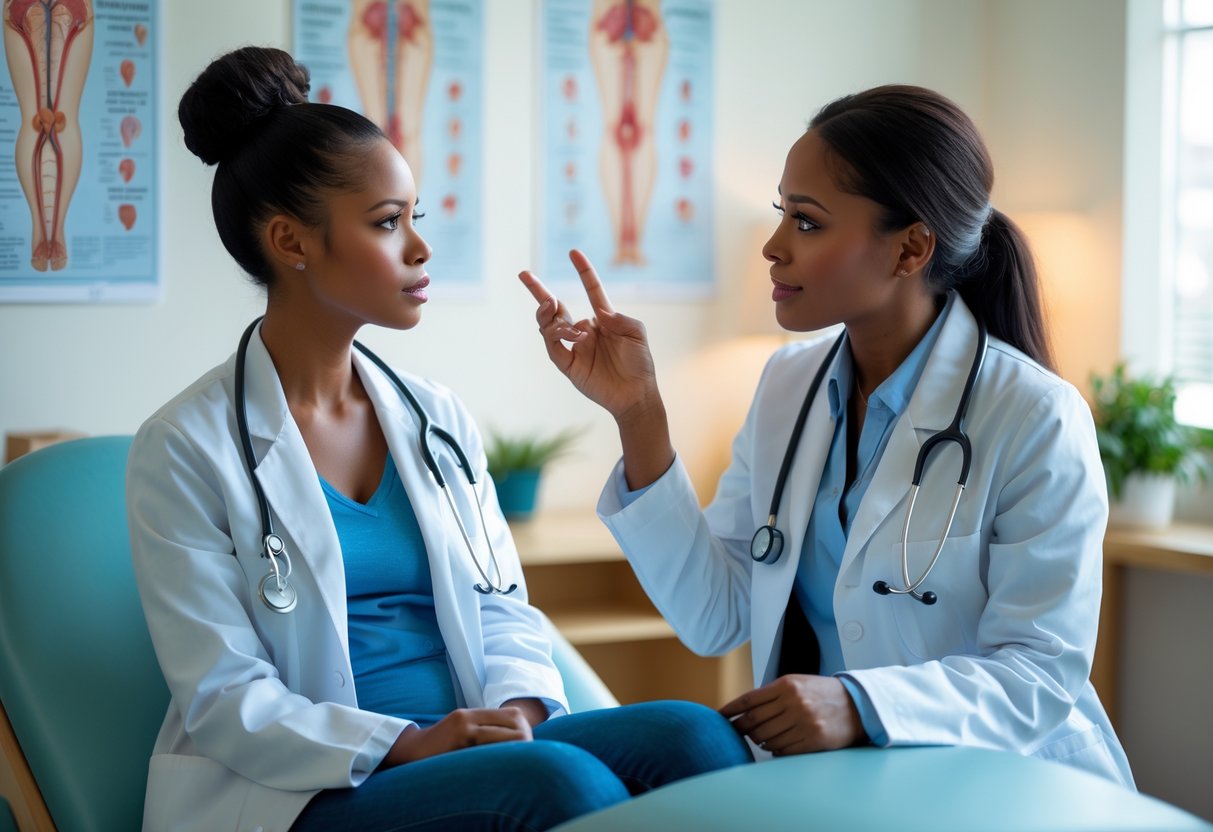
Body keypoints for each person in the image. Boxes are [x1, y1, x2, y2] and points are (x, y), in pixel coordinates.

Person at [126, 46, 751, 832]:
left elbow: (502, 606)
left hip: (470, 742)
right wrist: (406, 745)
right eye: (388, 224)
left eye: (414, 217)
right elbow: (225, 697)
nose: (420, 249)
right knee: (557, 789)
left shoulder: (434, 418)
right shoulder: (183, 447)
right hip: (305, 789)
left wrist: (516, 711)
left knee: (695, 734)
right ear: (291, 242)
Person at [520, 84, 1134, 788]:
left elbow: (1037, 676)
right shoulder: (788, 385)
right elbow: (714, 614)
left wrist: (860, 705)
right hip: (844, 782)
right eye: (782, 214)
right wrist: (639, 414)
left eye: (806, 223)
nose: (772, 247)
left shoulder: (1034, 416)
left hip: (1001, 783)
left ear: (910, 249)